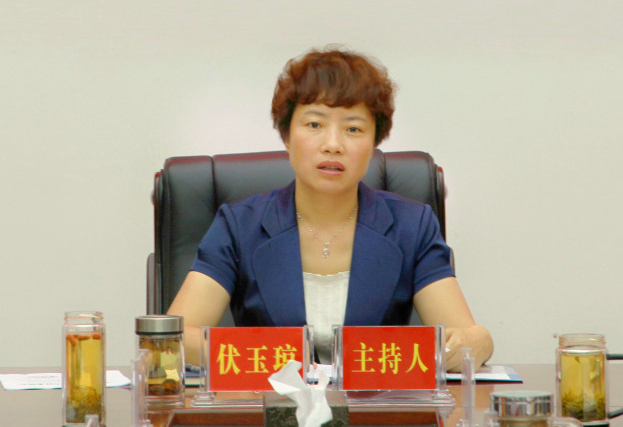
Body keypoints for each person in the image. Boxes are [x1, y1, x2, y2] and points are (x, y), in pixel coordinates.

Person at [168, 47, 493, 371]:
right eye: (314, 124)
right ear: (287, 137)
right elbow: (175, 337)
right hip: (269, 400)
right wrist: (278, 362)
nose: (333, 144)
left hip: (375, 402)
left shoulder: (412, 225)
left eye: (353, 129)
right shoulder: (239, 225)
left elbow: (471, 338)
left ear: (374, 144)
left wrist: (469, 345)